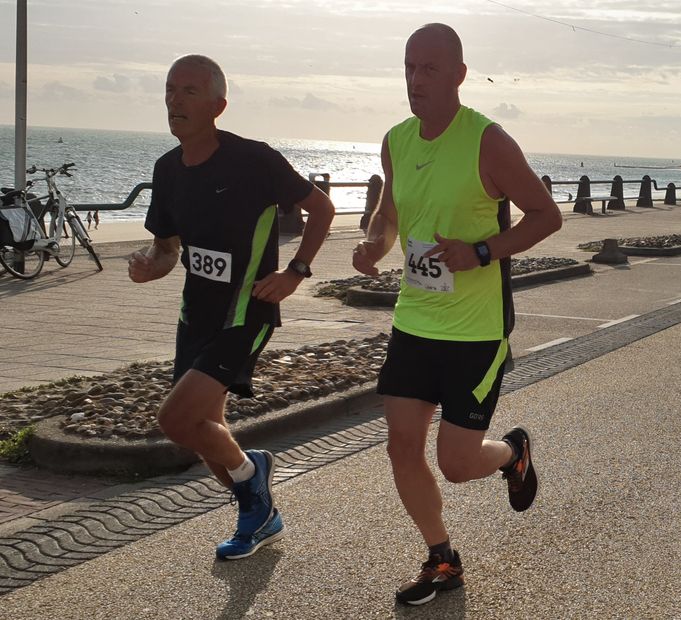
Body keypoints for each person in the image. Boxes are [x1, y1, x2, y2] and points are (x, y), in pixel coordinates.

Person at [352, 24, 562, 606]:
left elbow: (546, 216)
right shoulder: (396, 140)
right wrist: (373, 241)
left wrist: (481, 251)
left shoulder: (487, 142)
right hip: (414, 319)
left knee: (458, 464)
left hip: (476, 330)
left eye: (430, 69)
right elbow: (389, 212)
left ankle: (512, 452)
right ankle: (442, 557)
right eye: (410, 68)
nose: (417, 80)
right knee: (401, 445)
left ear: (459, 75)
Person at [128, 55, 335, 560]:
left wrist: (295, 273)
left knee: (175, 421)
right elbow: (167, 249)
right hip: (194, 316)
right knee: (206, 440)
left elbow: (323, 208)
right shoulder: (167, 169)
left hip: (246, 311)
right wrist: (147, 265)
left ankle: (256, 493)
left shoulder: (253, 160)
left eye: (190, 91)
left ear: (218, 105)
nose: (175, 100)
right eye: (170, 90)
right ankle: (256, 498)